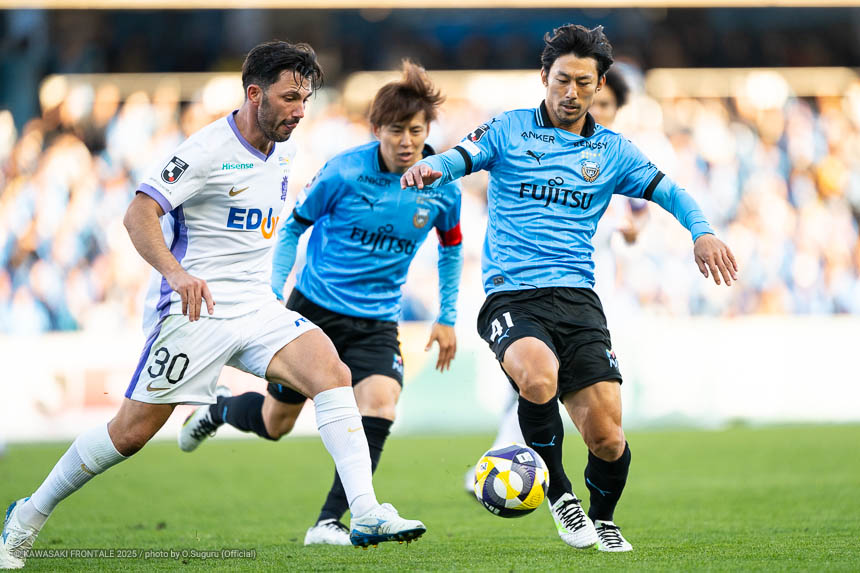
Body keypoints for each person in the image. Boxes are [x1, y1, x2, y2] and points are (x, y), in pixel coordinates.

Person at [0, 41, 426, 570]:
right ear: (254, 94)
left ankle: (362, 511)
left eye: (305, 99)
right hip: (195, 312)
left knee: (332, 373)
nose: (299, 111)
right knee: (130, 433)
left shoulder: (285, 148)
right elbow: (138, 214)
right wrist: (176, 274)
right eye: (289, 98)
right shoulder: (204, 150)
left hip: (256, 307)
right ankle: (28, 516)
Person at [402, 24, 737, 553]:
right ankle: (560, 496)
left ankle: (602, 519)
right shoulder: (509, 128)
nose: (571, 92)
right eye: (562, 80)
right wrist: (431, 168)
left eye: (583, 82)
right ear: (544, 77)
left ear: (599, 84)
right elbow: (460, 156)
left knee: (608, 438)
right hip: (512, 294)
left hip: (579, 299)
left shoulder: (612, 150)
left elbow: (670, 191)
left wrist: (703, 232)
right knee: (538, 378)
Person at [177, 60, 462, 547]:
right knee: (276, 423)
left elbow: (452, 248)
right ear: (377, 129)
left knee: (380, 403)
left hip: (377, 320)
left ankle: (329, 522)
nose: (407, 142)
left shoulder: (442, 186)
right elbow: (293, 227)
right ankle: (219, 410)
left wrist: (447, 315)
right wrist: (273, 289)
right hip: (315, 310)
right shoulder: (344, 171)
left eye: (416, 131)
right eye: (396, 131)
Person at [468, 68, 647, 475]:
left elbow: (640, 216)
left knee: (570, 395)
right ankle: (508, 464)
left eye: (605, 104)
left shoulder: (614, 159)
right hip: (533, 286)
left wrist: (631, 230)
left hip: (591, 292)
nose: (594, 107)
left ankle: (504, 463)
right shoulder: (547, 150)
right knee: (535, 381)